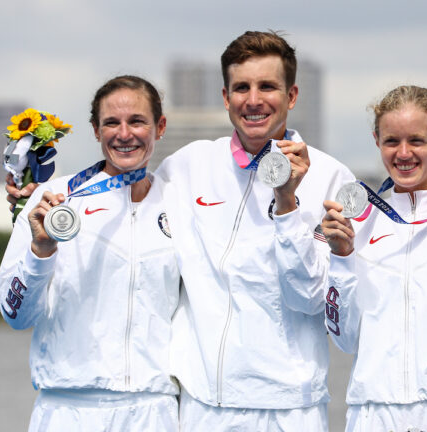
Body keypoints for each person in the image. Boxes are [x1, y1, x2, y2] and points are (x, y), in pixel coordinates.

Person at [155, 31, 354, 430]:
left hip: (290, 407)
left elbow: (312, 298)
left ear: (292, 95)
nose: (253, 99)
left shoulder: (333, 178)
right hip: (203, 403)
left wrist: (287, 203)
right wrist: (38, 197)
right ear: (225, 97)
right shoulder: (187, 166)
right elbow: (128, 211)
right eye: (241, 87)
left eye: (268, 86)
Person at [0, 75, 180, 431]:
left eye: (137, 121)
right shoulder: (51, 201)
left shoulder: (180, 202)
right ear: (96, 130)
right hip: (68, 410)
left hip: (155, 411)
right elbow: (14, 314)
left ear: (160, 126)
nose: (124, 134)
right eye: (111, 122)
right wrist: (41, 250)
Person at [321, 85, 427, 432]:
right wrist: (341, 259)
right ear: (376, 141)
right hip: (372, 414)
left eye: (417, 140)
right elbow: (344, 338)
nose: (404, 153)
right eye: (392, 141)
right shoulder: (357, 223)